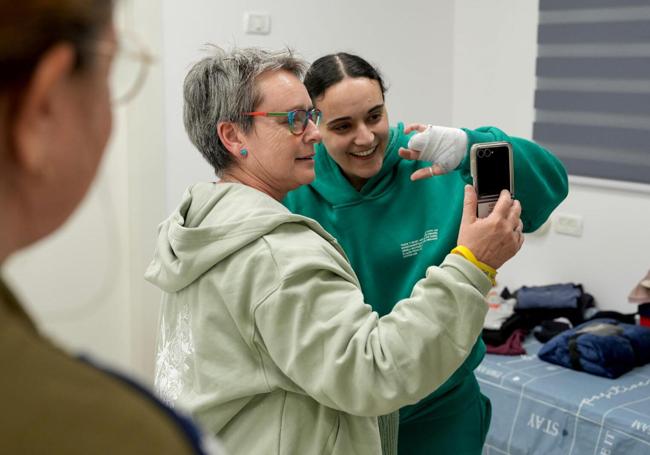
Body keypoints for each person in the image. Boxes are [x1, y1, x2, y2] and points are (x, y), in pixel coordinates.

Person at [147, 45, 525, 455]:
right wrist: (472, 265)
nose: (314, 132)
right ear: (233, 135)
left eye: (310, 116)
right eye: (294, 120)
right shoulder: (275, 253)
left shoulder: (204, 225)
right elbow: (375, 371)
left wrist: (470, 141)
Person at [283, 52, 569, 454]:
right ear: (314, 126)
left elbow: (551, 185)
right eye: (343, 126)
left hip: (441, 406)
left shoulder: (432, 159)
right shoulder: (296, 188)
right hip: (343, 411)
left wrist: (471, 143)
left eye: (375, 116)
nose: (365, 137)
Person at [0, 1, 220, 453]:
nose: (311, 133)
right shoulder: (112, 436)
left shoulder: (189, 224)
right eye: (110, 66)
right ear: (44, 104)